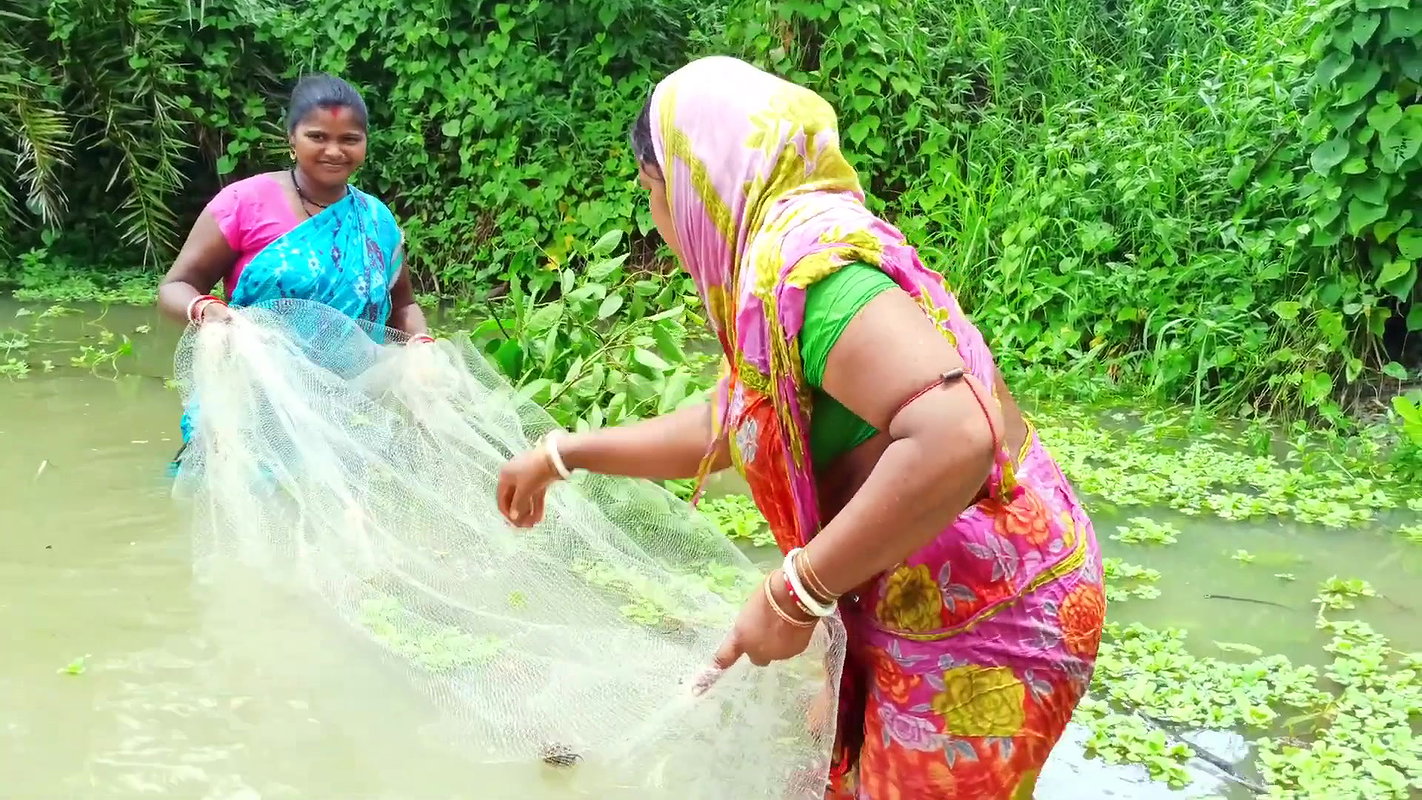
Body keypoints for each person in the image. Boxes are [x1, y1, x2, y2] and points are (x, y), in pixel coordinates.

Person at [495, 56, 1105, 799]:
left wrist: (797, 595)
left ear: (698, 183)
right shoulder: (775, 273)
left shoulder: (813, 270)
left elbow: (955, 433)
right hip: (912, 588)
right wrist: (563, 454)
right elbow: (731, 422)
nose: (657, 219)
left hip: (987, 610)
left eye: (654, 192)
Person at [156, 73, 429, 473]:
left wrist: (421, 344)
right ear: (292, 138)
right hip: (252, 405)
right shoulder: (246, 203)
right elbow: (176, 286)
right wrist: (206, 309)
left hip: (348, 416)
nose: (334, 150)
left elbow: (403, 306)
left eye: (349, 139)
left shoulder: (377, 221)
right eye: (318, 136)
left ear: (365, 144)